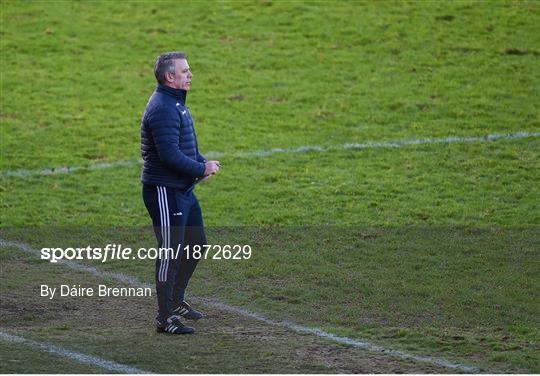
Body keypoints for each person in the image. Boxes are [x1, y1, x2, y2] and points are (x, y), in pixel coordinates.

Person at [140, 51, 220, 334]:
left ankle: (175, 301)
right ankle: (165, 318)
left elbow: (185, 147)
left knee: (196, 243)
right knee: (170, 252)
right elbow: (170, 155)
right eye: (185, 71)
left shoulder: (176, 104)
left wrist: (201, 165)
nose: (190, 74)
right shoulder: (162, 107)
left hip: (182, 189)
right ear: (169, 77)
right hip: (165, 191)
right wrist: (200, 169)